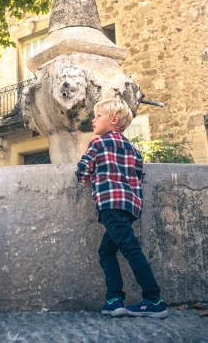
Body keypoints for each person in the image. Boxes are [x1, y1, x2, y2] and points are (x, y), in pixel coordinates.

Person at [75, 98, 168, 319]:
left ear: (114, 120)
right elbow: (139, 175)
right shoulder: (132, 148)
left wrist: (91, 182)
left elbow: (82, 170)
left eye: (98, 115)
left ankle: (154, 299)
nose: (93, 119)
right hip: (130, 207)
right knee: (106, 251)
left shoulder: (97, 143)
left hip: (109, 204)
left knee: (130, 249)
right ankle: (114, 299)